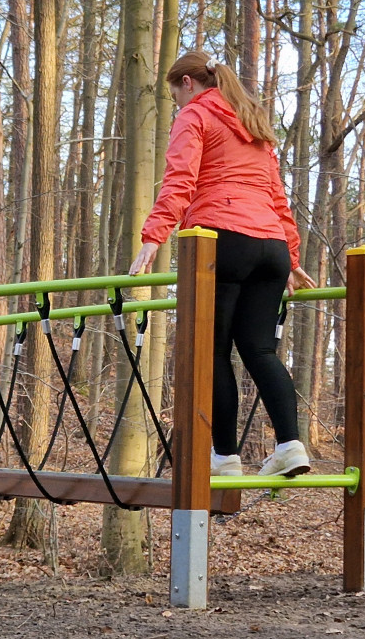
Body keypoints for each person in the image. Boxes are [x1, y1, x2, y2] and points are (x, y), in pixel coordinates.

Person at [129, 51, 316, 478]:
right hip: (270, 245)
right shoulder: (253, 124)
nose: (177, 102)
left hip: (222, 241)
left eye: (175, 94)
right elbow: (277, 199)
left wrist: (153, 237)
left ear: (188, 84)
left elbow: (180, 180)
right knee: (260, 349)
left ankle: (225, 458)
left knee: (212, 352)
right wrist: (291, 257)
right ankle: (290, 445)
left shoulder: (194, 116)